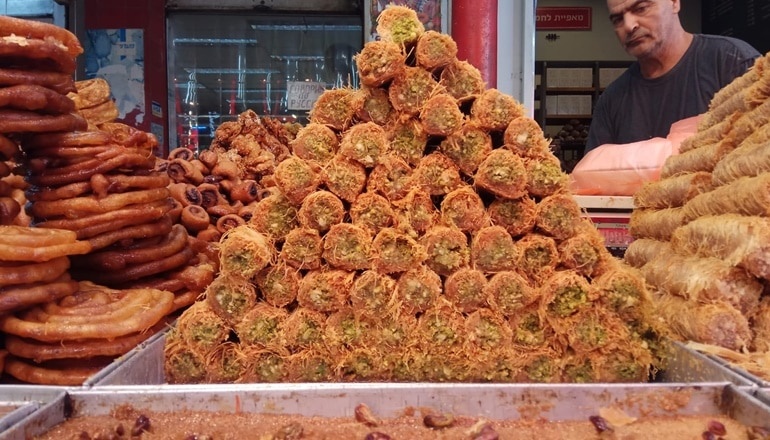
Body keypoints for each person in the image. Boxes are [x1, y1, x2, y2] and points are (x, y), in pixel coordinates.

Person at [584, 0, 761, 154]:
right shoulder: (611, 100)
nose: (629, 25)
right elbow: (591, 182)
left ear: (674, 2)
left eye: (641, 8)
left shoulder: (732, 62)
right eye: (617, 19)